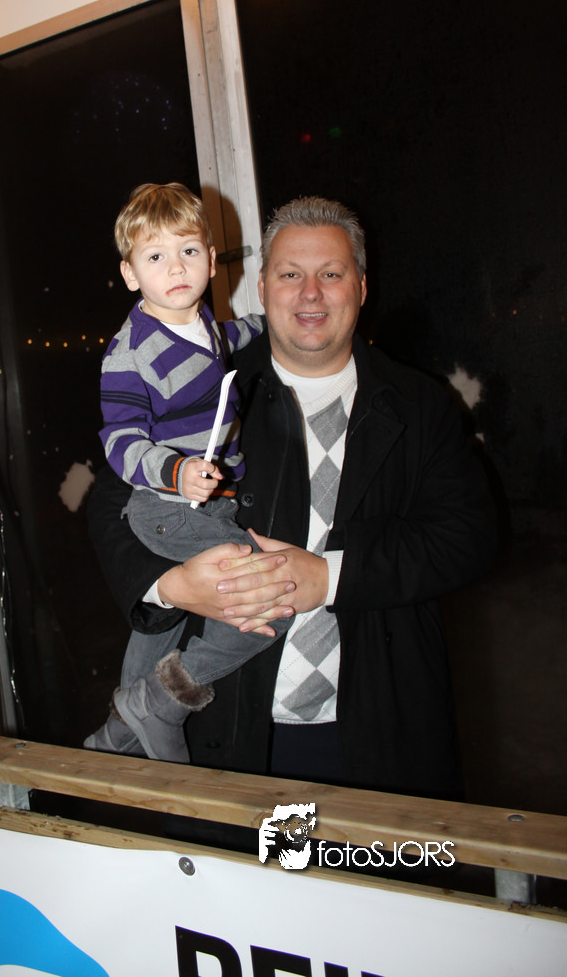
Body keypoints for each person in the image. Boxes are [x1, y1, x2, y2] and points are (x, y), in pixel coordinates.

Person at [87, 196, 497, 798]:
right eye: (289, 274)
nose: (310, 293)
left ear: (361, 286)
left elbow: (471, 537)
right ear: (262, 287)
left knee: (368, 862)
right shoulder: (209, 380)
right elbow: (111, 505)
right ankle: (147, 709)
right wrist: (170, 587)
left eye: (330, 273)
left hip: (379, 732)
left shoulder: (420, 404)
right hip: (235, 733)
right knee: (271, 859)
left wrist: (330, 577)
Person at [85, 182, 294, 763]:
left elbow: (229, 338)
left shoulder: (200, 323)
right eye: (155, 256)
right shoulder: (129, 352)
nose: (175, 268)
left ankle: (118, 736)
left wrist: (272, 321)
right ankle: (165, 700)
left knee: (161, 623)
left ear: (210, 257)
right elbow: (120, 441)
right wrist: (174, 471)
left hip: (206, 503)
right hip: (165, 506)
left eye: (189, 251)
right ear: (130, 274)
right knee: (266, 601)